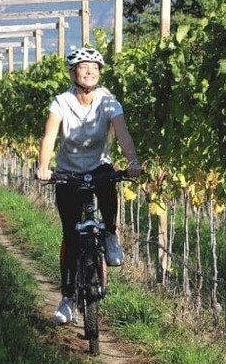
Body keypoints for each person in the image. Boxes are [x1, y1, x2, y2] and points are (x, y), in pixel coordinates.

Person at [36, 47, 141, 324]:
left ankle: (109, 233)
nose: (90, 71)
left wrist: (132, 162)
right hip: (68, 172)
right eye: (84, 67)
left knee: (109, 180)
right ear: (73, 73)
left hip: (97, 167)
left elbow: (122, 132)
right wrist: (44, 167)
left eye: (94, 67)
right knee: (71, 236)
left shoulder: (108, 102)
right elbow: (49, 136)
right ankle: (68, 298)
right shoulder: (61, 102)